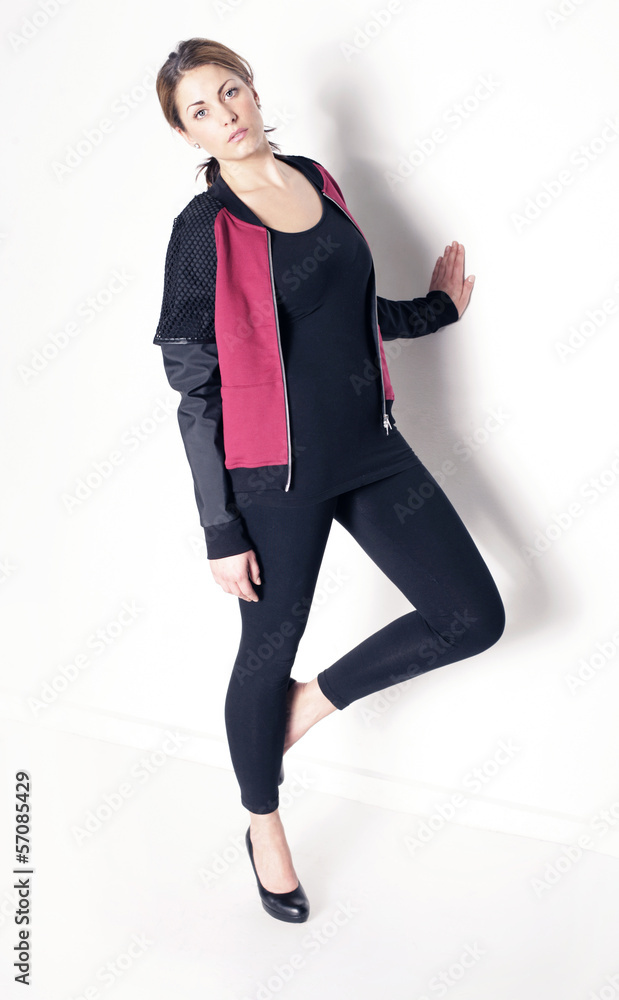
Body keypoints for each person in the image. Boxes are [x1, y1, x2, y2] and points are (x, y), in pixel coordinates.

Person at [153, 38, 505, 923]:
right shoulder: (203, 231)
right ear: (184, 133)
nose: (225, 113)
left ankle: (306, 705)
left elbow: (344, 315)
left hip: (372, 450)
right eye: (199, 109)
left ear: (252, 89)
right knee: (262, 654)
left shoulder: (315, 177)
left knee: (471, 617)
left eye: (229, 91)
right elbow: (194, 387)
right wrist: (220, 529)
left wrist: (433, 311)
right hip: (275, 476)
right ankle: (263, 824)